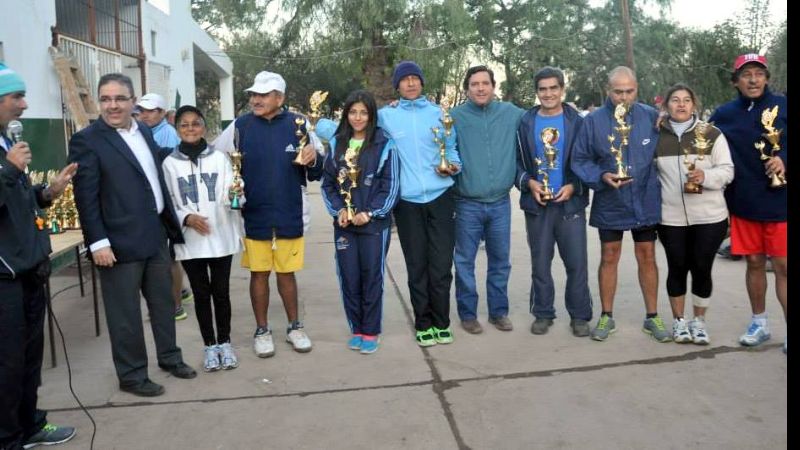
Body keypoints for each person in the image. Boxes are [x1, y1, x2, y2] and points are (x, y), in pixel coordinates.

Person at [70, 73, 197, 397]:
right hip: (118, 244)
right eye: (106, 99)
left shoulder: (142, 130)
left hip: (154, 235)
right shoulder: (87, 141)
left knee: (164, 304)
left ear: (133, 102)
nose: (112, 105)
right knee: (125, 315)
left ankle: (170, 358)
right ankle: (132, 375)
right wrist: (98, 243)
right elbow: (86, 197)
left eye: (119, 99)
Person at [212, 71, 322, 357]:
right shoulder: (240, 126)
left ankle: (294, 327)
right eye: (253, 95)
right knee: (258, 273)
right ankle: (262, 330)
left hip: (290, 212)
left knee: (287, 273)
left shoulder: (299, 124)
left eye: (263, 95)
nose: (256, 100)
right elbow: (216, 158)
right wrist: (230, 187)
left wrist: (314, 158)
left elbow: (317, 170)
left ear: (279, 98)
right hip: (254, 214)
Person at [0, 62, 77, 450]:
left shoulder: (6, 145)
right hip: (4, 278)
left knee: (30, 358)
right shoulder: (9, 158)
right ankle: (7, 439)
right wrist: (8, 170)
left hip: (28, 269)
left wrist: (47, 193)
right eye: (17, 97)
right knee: (7, 363)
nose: (24, 105)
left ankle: (29, 425)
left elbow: (14, 201)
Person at [571, 66, 665, 342]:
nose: (623, 97)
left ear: (637, 89)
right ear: (608, 90)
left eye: (629, 91)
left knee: (647, 255)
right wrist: (601, 176)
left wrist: (670, 115)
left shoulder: (651, 116)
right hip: (610, 200)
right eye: (618, 91)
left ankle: (652, 316)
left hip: (644, 199)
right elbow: (580, 159)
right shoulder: (593, 121)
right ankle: (606, 316)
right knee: (609, 256)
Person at [378, 60, 461, 347]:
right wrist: (317, 127)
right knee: (416, 265)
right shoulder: (387, 117)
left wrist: (453, 167)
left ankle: (442, 322)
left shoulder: (439, 114)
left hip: (441, 197)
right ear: (397, 86)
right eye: (405, 79)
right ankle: (423, 324)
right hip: (407, 202)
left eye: (415, 78)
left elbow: (452, 150)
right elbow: (355, 127)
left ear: (422, 83)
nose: (411, 83)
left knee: (441, 265)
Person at [709, 54, 787, 352]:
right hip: (743, 201)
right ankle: (759, 323)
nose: (753, 80)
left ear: (766, 78)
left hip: (780, 201)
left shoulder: (783, 105)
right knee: (754, 263)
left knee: (783, 266)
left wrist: (784, 158)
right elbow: (698, 138)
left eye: (758, 73)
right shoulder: (724, 114)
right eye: (746, 74)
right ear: (735, 81)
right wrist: (663, 122)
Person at [162, 105, 243, 371]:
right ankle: (209, 345)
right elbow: (167, 201)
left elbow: (230, 191)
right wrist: (186, 218)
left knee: (221, 292)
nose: (190, 129)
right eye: (184, 125)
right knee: (200, 294)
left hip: (220, 236)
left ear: (204, 127)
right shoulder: (169, 164)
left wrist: (235, 194)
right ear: (177, 130)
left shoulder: (220, 158)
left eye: (195, 123)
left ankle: (225, 342)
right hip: (191, 241)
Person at [515, 66, 593, 337]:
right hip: (538, 205)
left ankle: (580, 316)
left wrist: (574, 186)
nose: (548, 94)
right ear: (537, 92)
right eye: (542, 89)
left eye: (553, 88)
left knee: (576, 263)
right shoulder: (525, 123)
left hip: (570, 204)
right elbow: (515, 162)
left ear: (562, 89)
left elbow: (590, 160)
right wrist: (529, 182)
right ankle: (542, 313)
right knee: (540, 263)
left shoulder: (578, 122)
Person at [320, 90, 399, 354]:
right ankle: (356, 328)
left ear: (371, 115)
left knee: (371, 277)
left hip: (373, 226)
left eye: (363, 112)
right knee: (349, 277)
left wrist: (371, 212)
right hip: (345, 226)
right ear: (346, 115)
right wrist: (338, 210)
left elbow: (390, 185)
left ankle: (371, 331)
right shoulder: (337, 143)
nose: (358, 117)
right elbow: (328, 183)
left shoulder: (384, 143)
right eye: (353, 112)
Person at [655, 83, 734, 344]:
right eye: (675, 100)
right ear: (666, 105)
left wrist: (706, 176)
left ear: (693, 104)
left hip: (709, 217)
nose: (681, 104)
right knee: (676, 268)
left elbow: (727, 170)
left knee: (702, 268)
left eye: (686, 100)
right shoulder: (656, 135)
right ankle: (679, 322)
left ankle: (699, 322)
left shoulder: (712, 134)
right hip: (670, 217)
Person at [450, 65, 523, 334]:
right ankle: (468, 314)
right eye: (474, 84)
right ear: (466, 89)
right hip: (466, 203)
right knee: (464, 262)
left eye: (485, 83)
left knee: (500, 262)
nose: (480, 88)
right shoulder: (454, 117)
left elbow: (543, 116)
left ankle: (498, 312)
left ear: (493, 86)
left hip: (500, 203)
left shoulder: (511, 113)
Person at [137, 92, 193, 321]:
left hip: (167, 202)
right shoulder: (145, 132)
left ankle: (175, 306)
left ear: (162, 113)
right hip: (153, 202)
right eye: (142, 110)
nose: (145, 115)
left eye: (150, 111)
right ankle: (181, 292)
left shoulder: (167, 134)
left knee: (170, 257)